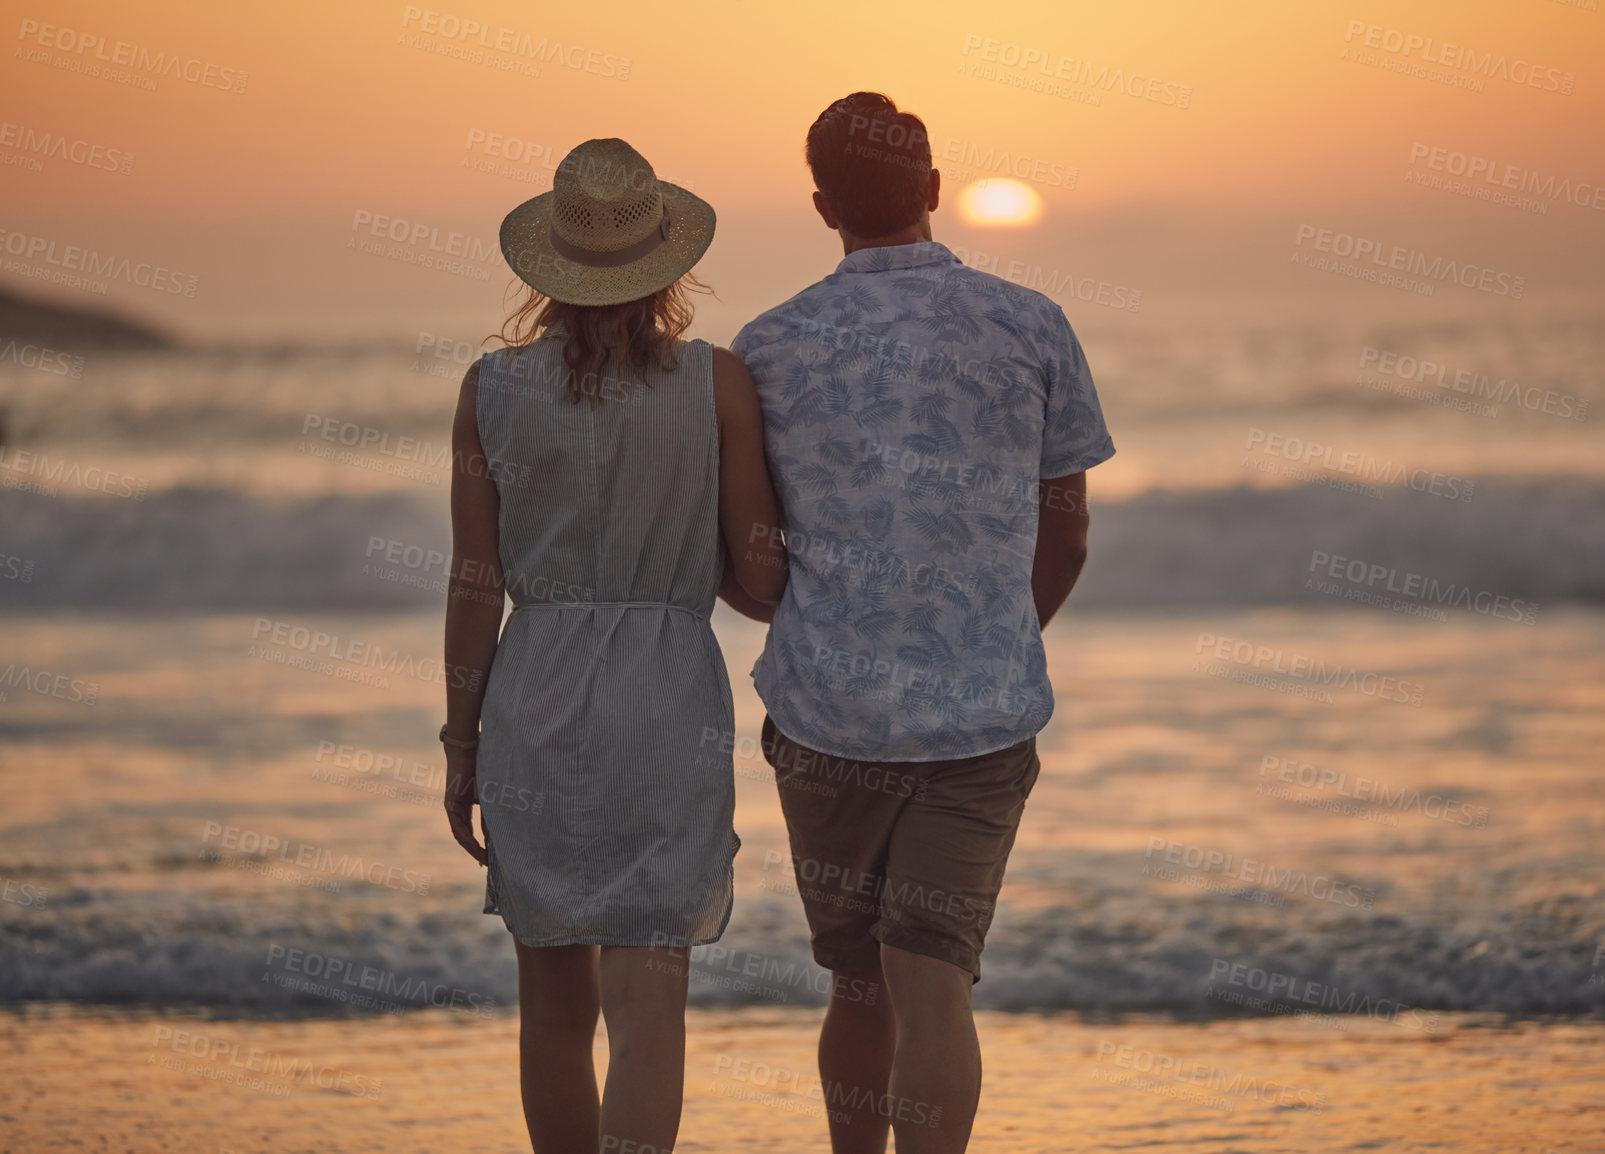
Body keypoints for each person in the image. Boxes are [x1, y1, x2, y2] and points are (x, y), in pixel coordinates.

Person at [721, 92, 1114, 1153]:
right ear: (934, 189)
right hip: (975, 722)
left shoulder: (766, 346)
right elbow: (1067, 533)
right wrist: (996, 632)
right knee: (933, 979)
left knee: (857, 980)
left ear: (821, 206)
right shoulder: (1031, 322)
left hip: (825, 713)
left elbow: (752, 570)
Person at [441, 137, 786, 1154]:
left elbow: (474, 584)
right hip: (666, 694)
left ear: (547, 267)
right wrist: (688, 564)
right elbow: (761, 578)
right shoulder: (717, 384)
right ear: (666, 264)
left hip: (531, 694)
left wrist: (461, 740)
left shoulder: (490, 388)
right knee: (650, 1006)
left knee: (552, 1007)